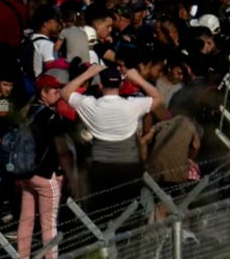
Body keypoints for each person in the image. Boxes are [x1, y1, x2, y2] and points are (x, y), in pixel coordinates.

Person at [61, 64, 163, 225]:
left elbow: (65, 92)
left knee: (102, 217)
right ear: (121, 85)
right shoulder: (131, 105)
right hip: (128, 167)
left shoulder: (91, 105)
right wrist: (138, 78)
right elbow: (158, 98)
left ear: (100, 85)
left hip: (101, 168)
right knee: (128, 215)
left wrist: (88, 73)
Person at [14, 73, 80, 259]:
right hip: (44, 174)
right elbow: (61, 151)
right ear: (43, 92)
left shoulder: (24, 112)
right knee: (49, 223)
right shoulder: (51, 117)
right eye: (55, 90)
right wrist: (71, 177)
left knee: (26, 220)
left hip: (25, 172)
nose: (58, 93)